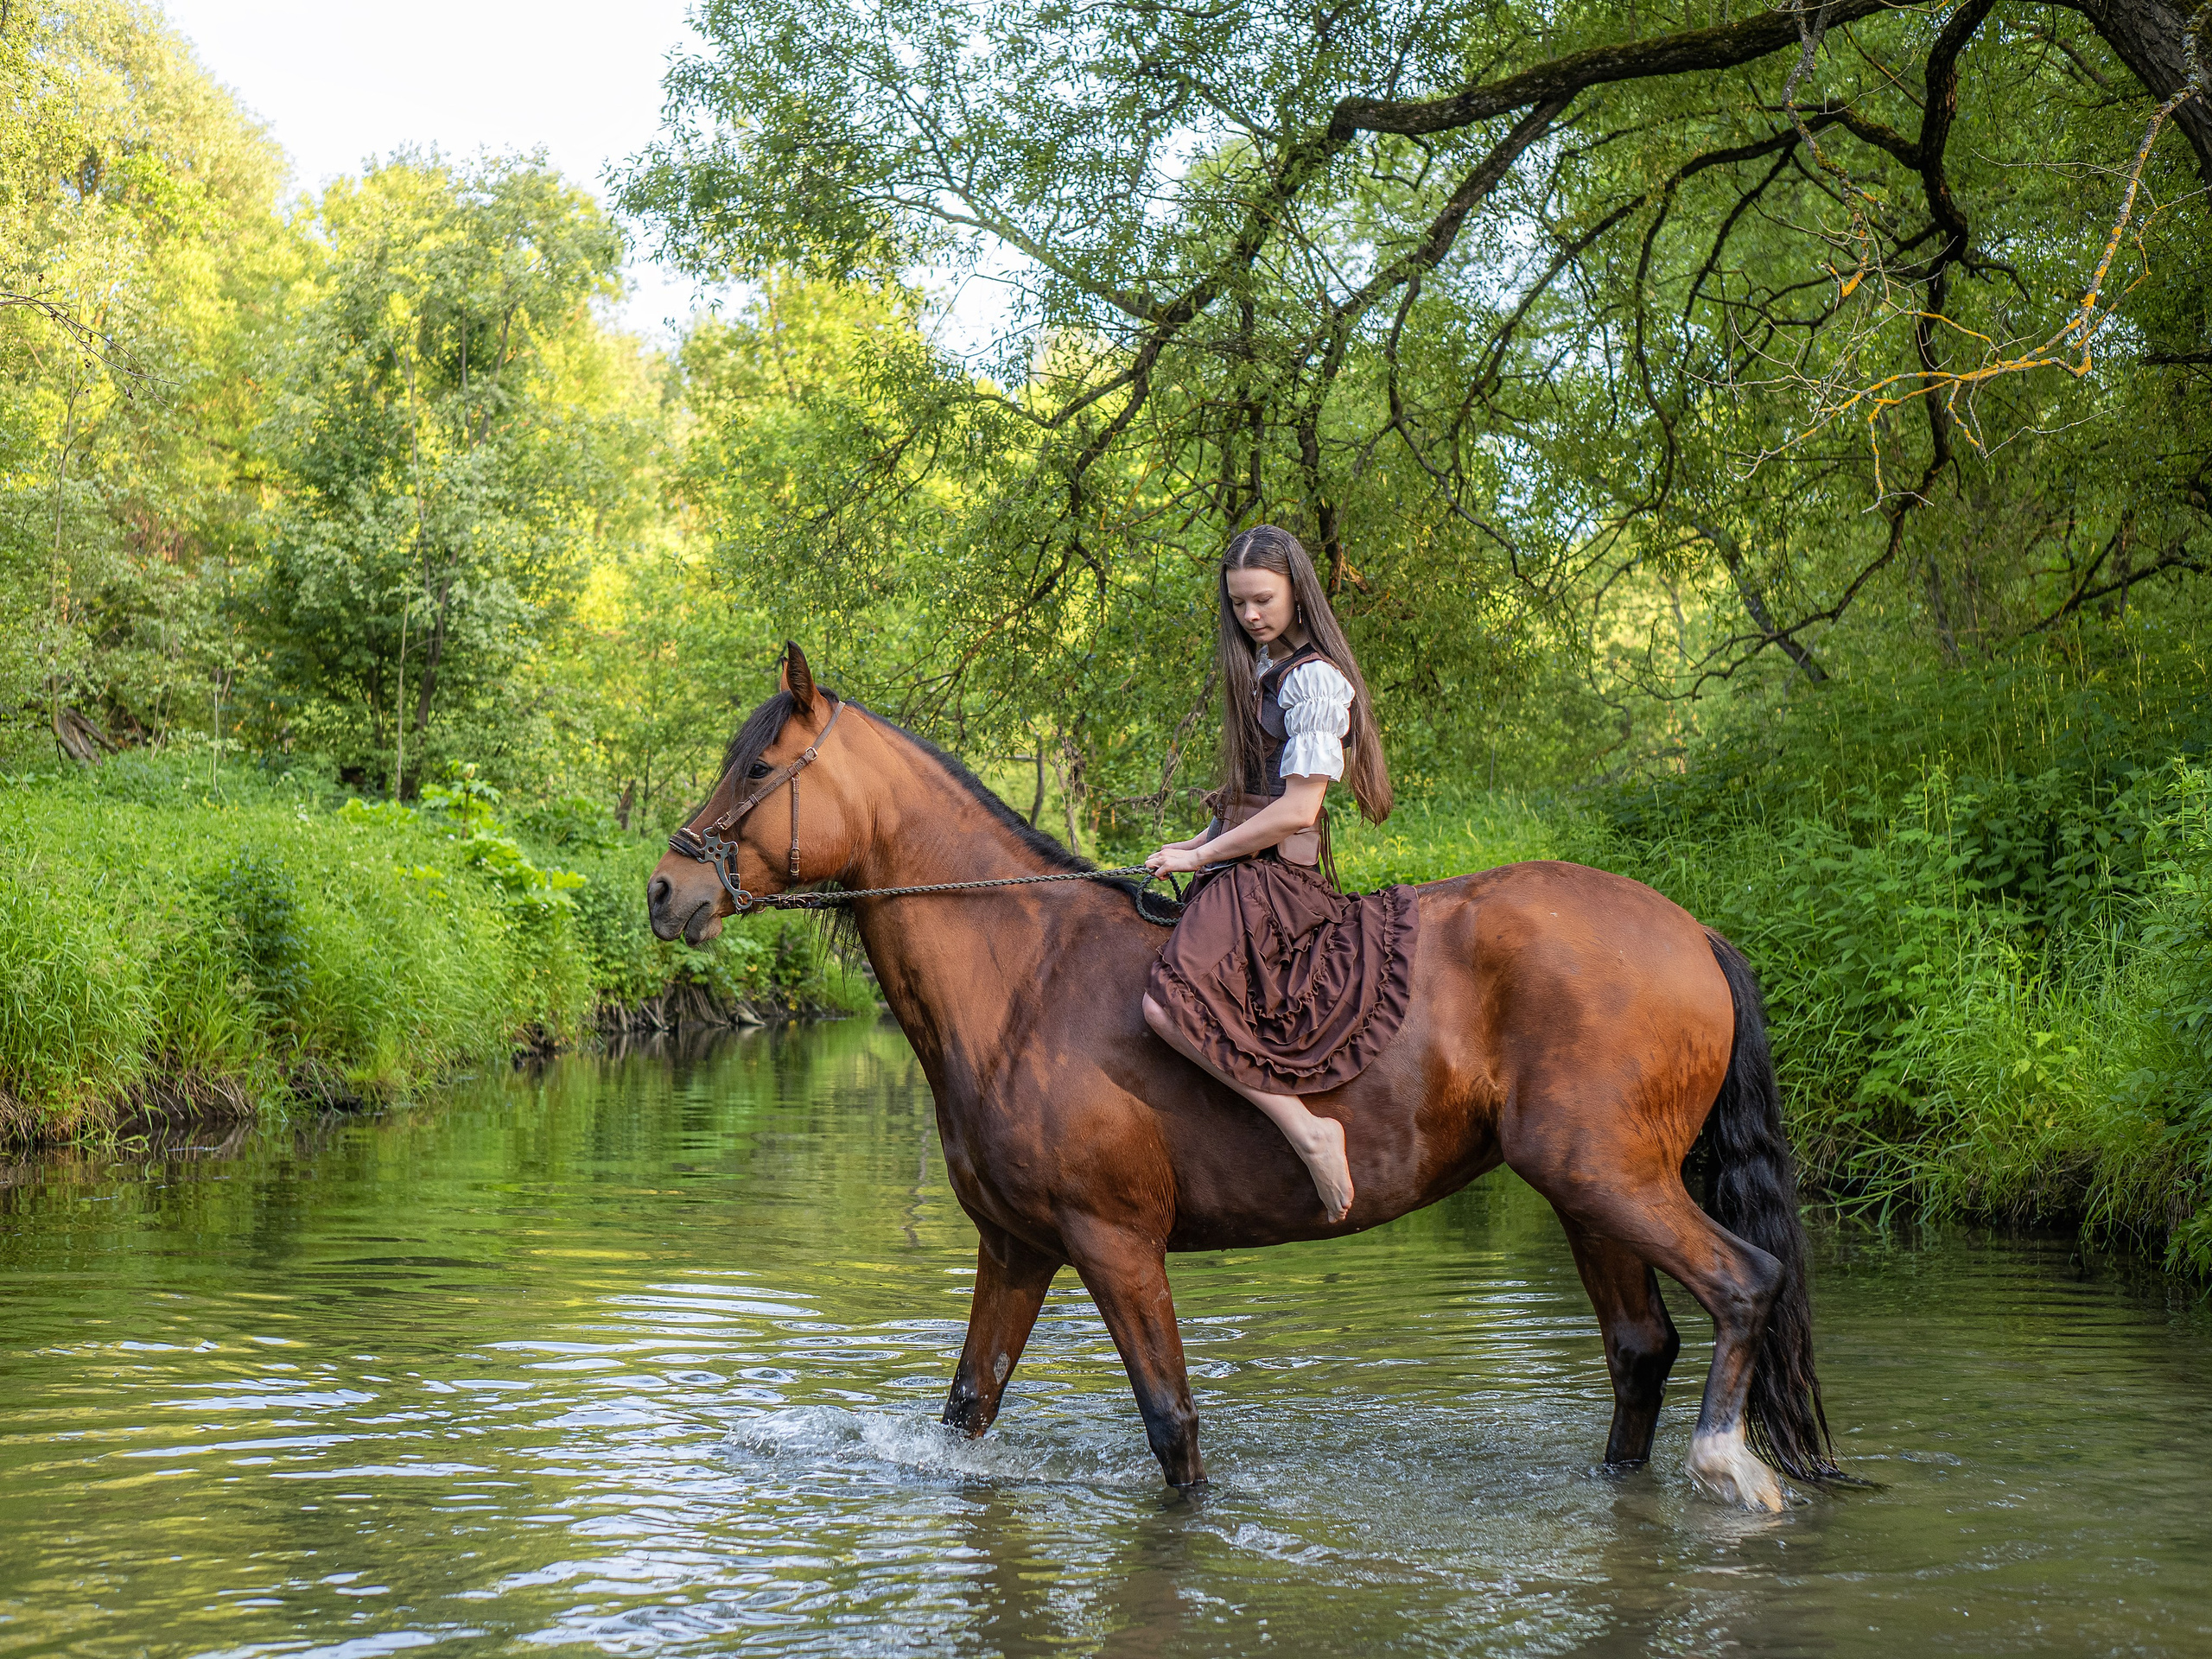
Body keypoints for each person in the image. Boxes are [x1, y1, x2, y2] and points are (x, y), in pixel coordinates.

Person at [1141, 524, 1421, 1224]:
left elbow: (1299, 810)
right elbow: (1254, 796)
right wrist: (1197, 841)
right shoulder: (1265, 670)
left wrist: (1204, 858)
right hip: (1245, 869)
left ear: (1298, 589)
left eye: (1262, 600)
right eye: (1238, 605)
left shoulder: (1316, 681)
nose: (1251, 616)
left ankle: (1308, 1131)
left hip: (1277, 884)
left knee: (1166, 1005)